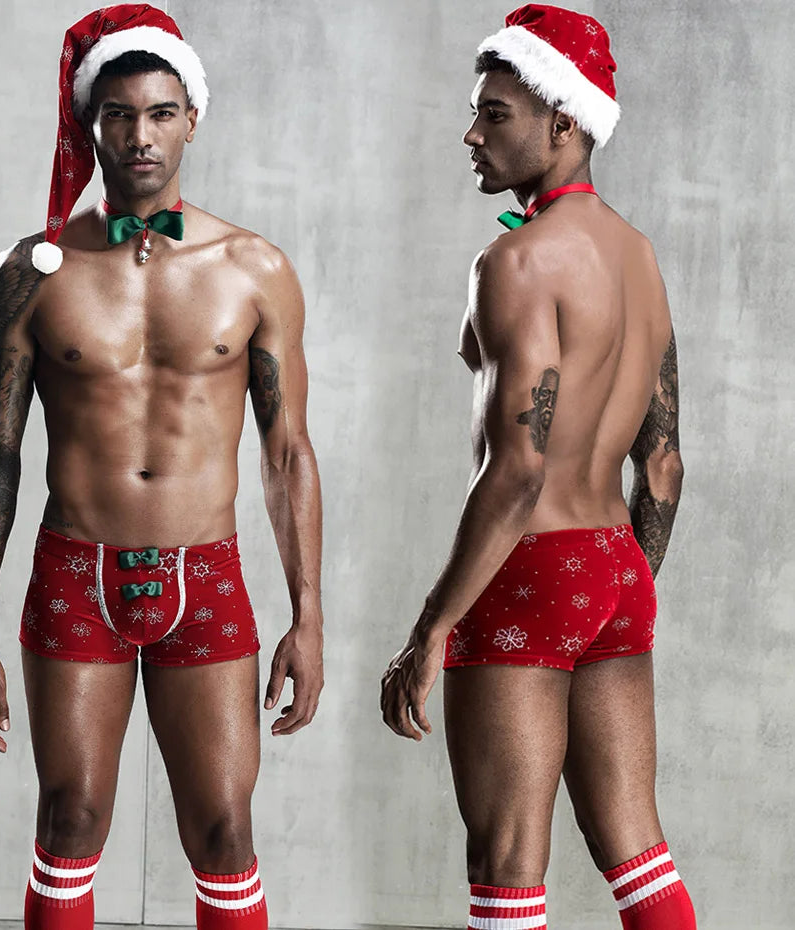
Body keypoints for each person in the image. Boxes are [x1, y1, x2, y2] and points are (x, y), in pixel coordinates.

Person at [0, 7, 324, 929]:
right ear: (92, 124)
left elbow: (287, 451)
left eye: (161, 113)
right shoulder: (33, 273)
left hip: (208, 576)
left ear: (192, 118)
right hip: (76, 573)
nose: (140, 136)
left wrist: (308, 615)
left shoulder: (254, 268)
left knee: (225, 831)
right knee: (70, 818)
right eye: (119, 115)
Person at [380, 6, 694, 929]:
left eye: (496, 114)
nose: (471, 134)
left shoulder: (515, 262)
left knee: (507, 863)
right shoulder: (639, 257)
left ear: (563, 123)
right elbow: (663, 464)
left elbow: (516, 472)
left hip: (530, 569)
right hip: (616, 568)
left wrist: (431, 630)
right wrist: (624, 584)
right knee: (638, 852)